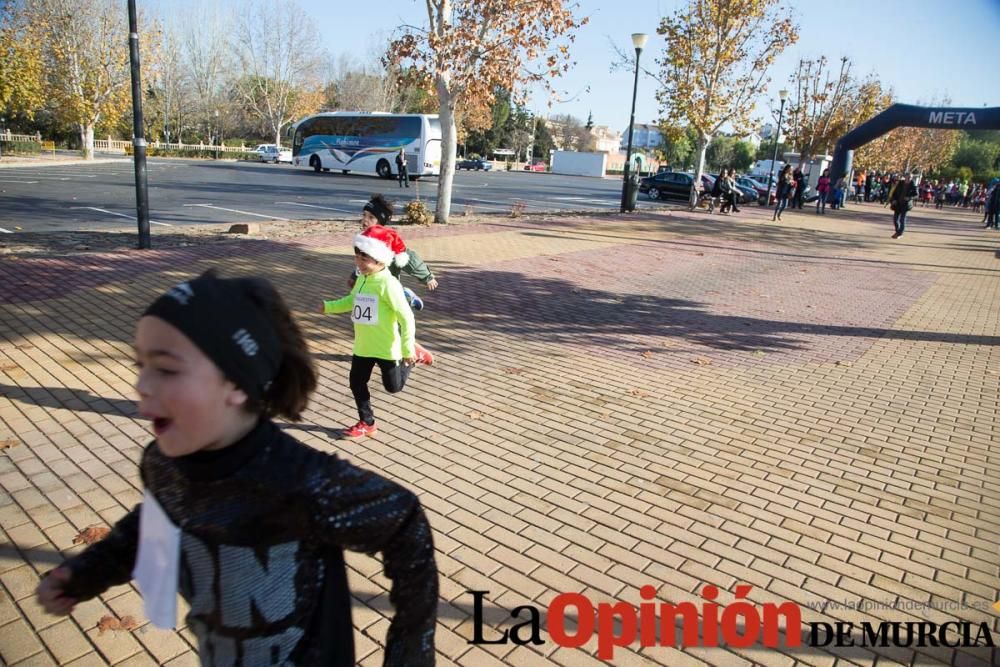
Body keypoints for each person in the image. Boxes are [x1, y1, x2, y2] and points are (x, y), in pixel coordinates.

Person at [34, 270, 439, 665]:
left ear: (236, 384)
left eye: (167, 368)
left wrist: (411, 649)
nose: (141, 384)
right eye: (141, 364)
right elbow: (154, 523)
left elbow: (403, 520)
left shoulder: (298, 480)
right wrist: (88, 573)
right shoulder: (163, 465)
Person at [324, 225, 435, 438]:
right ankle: (367, 422)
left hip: (387, 347)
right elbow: (352, 300)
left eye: (364, 259)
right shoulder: (363, 279)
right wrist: (328, 307)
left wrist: (405, 347)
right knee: (356, 382)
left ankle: (413, 356)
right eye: (357, 258)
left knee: (393, 387)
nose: (359, 263)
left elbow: (406, 316)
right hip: (364, 345)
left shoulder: (388, 284)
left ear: (380, 260)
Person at [349, 194, 439, 311]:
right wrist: (354, 276)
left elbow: (409, 258)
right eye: (364, 215)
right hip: (371, 283)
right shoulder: (363, 238)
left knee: (391, 307)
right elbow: (363, 262)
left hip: (387, 283)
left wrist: (427, 277)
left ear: (380, 222)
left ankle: (405, 296)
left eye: (371, 217)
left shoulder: (388, 239)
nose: (365, 220)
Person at [889, 172, 918, 238]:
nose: (909, 178)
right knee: (895, 220)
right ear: (905, 177)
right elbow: (894, 192)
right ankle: (897, 232)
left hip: (906, 205)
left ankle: (900, 233)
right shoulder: (900, 183)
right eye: (908, 177)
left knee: (902, 220)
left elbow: (916, 195)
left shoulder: (913, 185)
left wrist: (909, 198)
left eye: (910, 177)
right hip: (898, 204)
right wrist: (893, 200)